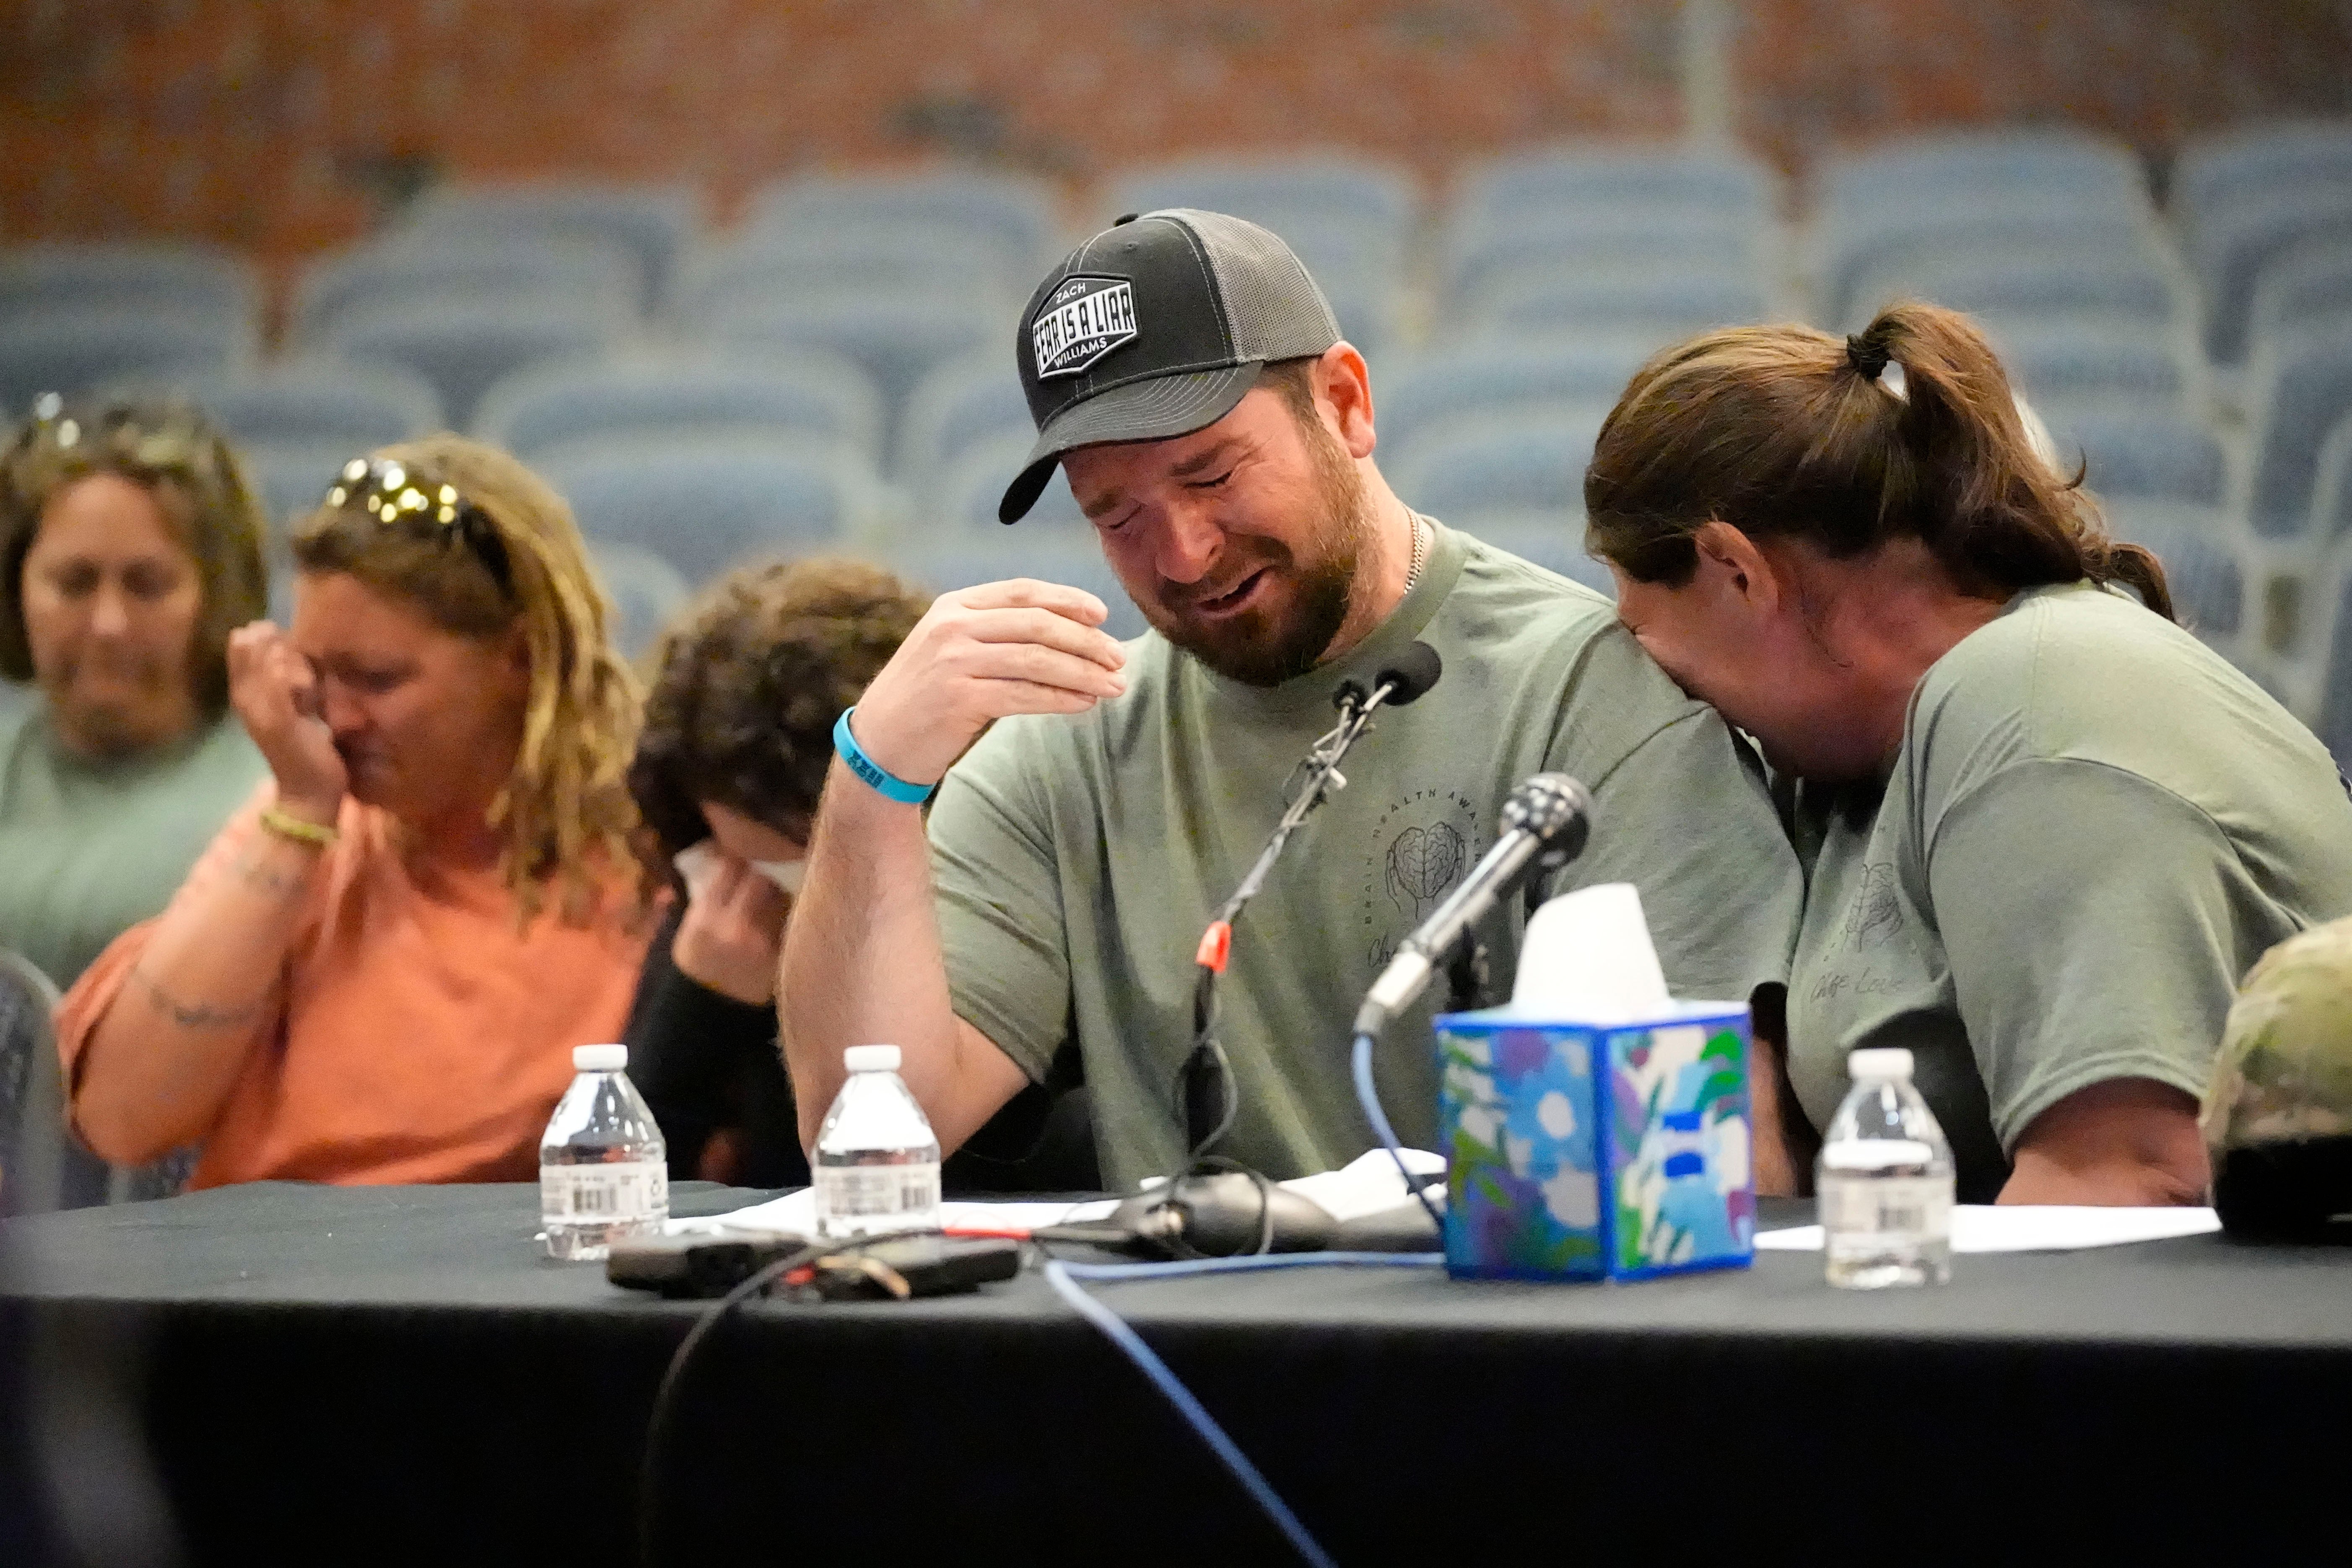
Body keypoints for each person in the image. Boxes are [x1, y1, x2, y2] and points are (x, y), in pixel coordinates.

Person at [780, 209, 1804, 1191]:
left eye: (1214, 474)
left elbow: (1716, 1167)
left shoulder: (1595, 701)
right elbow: (869, 1138)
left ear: (1346, 403)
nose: (1183, 552)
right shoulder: (1069, 746)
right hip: (1178, 1358)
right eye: (1117, 515)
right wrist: (872, 781)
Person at [1583, 300, 2352, 1206]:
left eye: (1646, 630)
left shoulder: (2033, 701)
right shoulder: (1858, 763)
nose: (1661, 678)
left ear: (1736, 571)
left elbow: (2125, 1183)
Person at [56, 435, 654, 1186]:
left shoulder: (651, 866)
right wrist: (299, 816)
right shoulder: (304, 827)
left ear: (522, 658)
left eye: (375, 678)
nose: (333, 719)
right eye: (314, 673)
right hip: (263, 1289)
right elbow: (123, 1118)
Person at [624, 554, 1096, 1190]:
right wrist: (698, 1006)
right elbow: (622, 1190)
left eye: (798, 866)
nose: (776, 894)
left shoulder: (1017, 872)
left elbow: (888, 1175)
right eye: (752, 861)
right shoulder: (724, 901)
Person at [0, 394, 269, 987]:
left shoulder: (278, 797)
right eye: (73, 583)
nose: (108, 624)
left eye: (147, 585)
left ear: (215, 594)